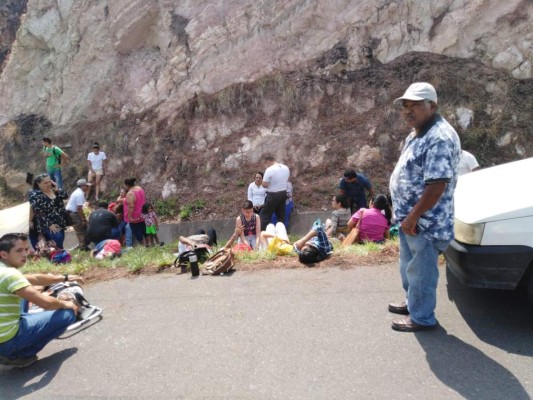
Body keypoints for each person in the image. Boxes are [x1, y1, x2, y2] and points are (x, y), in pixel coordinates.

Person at [389, 82, 461, 332]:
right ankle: (413, 303)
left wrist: (413, 216)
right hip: (410, 220)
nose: (408, 111)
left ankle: (421, 317)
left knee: (421, 272)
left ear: (432, 105)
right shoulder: (418, 132)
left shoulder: (439, 137)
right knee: (409, 266)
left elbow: (437, 185)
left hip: (425, 222)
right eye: (405, 106)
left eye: (415, 105)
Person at [0, 233, 82, 369]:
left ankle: (20, 332)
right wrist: (66, 304)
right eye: (19, 251)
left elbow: (34, 278)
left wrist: (64, 278)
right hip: (5, 341)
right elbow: (46, 303)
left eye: (26, 249)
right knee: (67, 314)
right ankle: (19, 356)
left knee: (24, 290)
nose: (26, 254)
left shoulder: (4, 269)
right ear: (4, 254)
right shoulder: (9, 274)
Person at [28, 174, 69, 249]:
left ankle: (57, 254)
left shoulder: (54, 190)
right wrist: (49, 224)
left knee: (60, 239)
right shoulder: (35, 195)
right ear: (38, 184)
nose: (48, 184)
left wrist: (57, 189)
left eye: (49, 182)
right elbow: (38, 211)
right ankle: (59, 255)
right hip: (47, 222)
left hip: (60, 220)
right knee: (58, 238)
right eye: (45, 183)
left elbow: (65, 196)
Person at [260, 154, 290, 230]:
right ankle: (282, 232)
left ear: (268, 161)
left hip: (272, 195)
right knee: (281, 216)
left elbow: (264, 184)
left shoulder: (270, 170)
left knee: (265, 215)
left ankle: (263, 232)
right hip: (283, 193)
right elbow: (287, 179)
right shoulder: (285, 168)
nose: (265, 166)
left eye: (265, 164)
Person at [65, 179, 91, 249]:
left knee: (80, 229)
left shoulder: (78, 192)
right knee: (81, 229)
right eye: (86, 186)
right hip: (74, 214)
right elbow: (79, 208)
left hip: (72, 213)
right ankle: (83, 246)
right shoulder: (79, 194)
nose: (88, 187)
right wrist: (83, 219)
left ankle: (82, 245)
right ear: (83, 186)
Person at [123, 178, 146, 247]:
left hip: (135, 216)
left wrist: (130, 217)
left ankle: (142, 246)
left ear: (127, 185)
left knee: (137, 231)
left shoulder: (130, 193)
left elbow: (131, 207)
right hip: (143, 213)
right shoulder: (140, 188)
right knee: (144, 229)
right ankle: (148, 244)